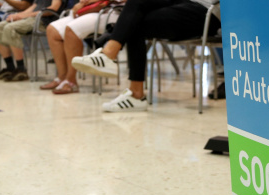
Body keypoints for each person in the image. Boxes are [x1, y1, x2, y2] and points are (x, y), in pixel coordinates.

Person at [72, 0, 221, 112]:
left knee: (134, 16)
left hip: (206, 11)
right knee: (134, 20)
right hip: (183, 4)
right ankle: (135, 93)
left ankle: (109, 54)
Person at [40, 0, 122, 94]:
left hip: (113, 11)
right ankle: (61, 77)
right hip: (92, 8)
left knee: (71, 30)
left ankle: (71, 81)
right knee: (52, 30)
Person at [0, 0, 62, 82]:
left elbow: (53, 8)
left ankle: (21, 69)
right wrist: (18, 15)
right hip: (32, 18)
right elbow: (34, 7)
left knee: (10, 28)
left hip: (43, 20)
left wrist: (26, 15)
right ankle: (10, 67)